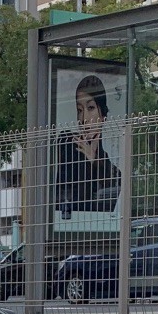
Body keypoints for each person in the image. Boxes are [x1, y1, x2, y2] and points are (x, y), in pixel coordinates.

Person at [53, 74, 121, 217]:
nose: (84, 119)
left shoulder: (107, 164)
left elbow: (112, 198)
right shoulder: (69, 143)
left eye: (90, 108)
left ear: (103, 116)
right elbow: (63, 196)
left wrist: (95, 160)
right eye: (79, 110)